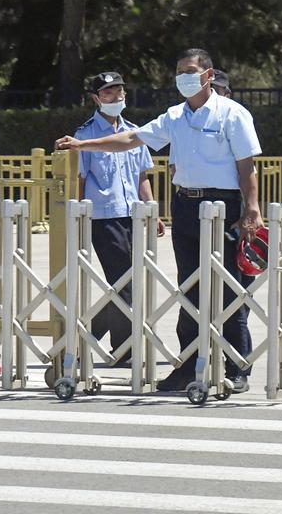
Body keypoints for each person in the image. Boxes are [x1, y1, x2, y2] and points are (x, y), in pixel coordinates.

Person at [55, 48, 262, 393]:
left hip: (224, 205)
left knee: (228, 287)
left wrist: (252, 208)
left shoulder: (232, 114)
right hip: (186, 205)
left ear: (208, 75)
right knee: (190, 287)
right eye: (180, 70)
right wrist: (83, 145)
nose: (184, 76)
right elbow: (131, 139)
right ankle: (190, 364)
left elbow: (246, 165)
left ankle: (236, 365)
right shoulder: (174, 117)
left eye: (191, 70)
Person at [74, 72, 164, 366]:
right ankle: (124, 347)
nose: (116, 98)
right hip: (103, 215)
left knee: (134, 278)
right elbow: (80, 178)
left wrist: (152, 210)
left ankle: (88, 332)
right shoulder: (85, 135)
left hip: (133, 214)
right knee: (123, 279)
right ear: (96, 99)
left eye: (120, 92)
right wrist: (77, 218)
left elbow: (141, 176)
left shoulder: (135, 132)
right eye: (109, 93)